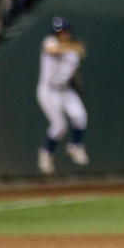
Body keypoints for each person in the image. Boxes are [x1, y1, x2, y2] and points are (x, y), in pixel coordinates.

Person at [36, 16, 88, 174]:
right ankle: (46, 153)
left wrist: (76, 78)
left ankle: (75, 146)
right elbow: (51, 50)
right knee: (59, 126)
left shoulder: (72, 51)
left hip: (65, 89)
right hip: (49, 90)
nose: (62, 34)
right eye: (59, 32)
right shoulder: (50, 42)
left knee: (81, 117)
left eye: (64, 31)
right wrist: (73, 48)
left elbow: (72, 67)